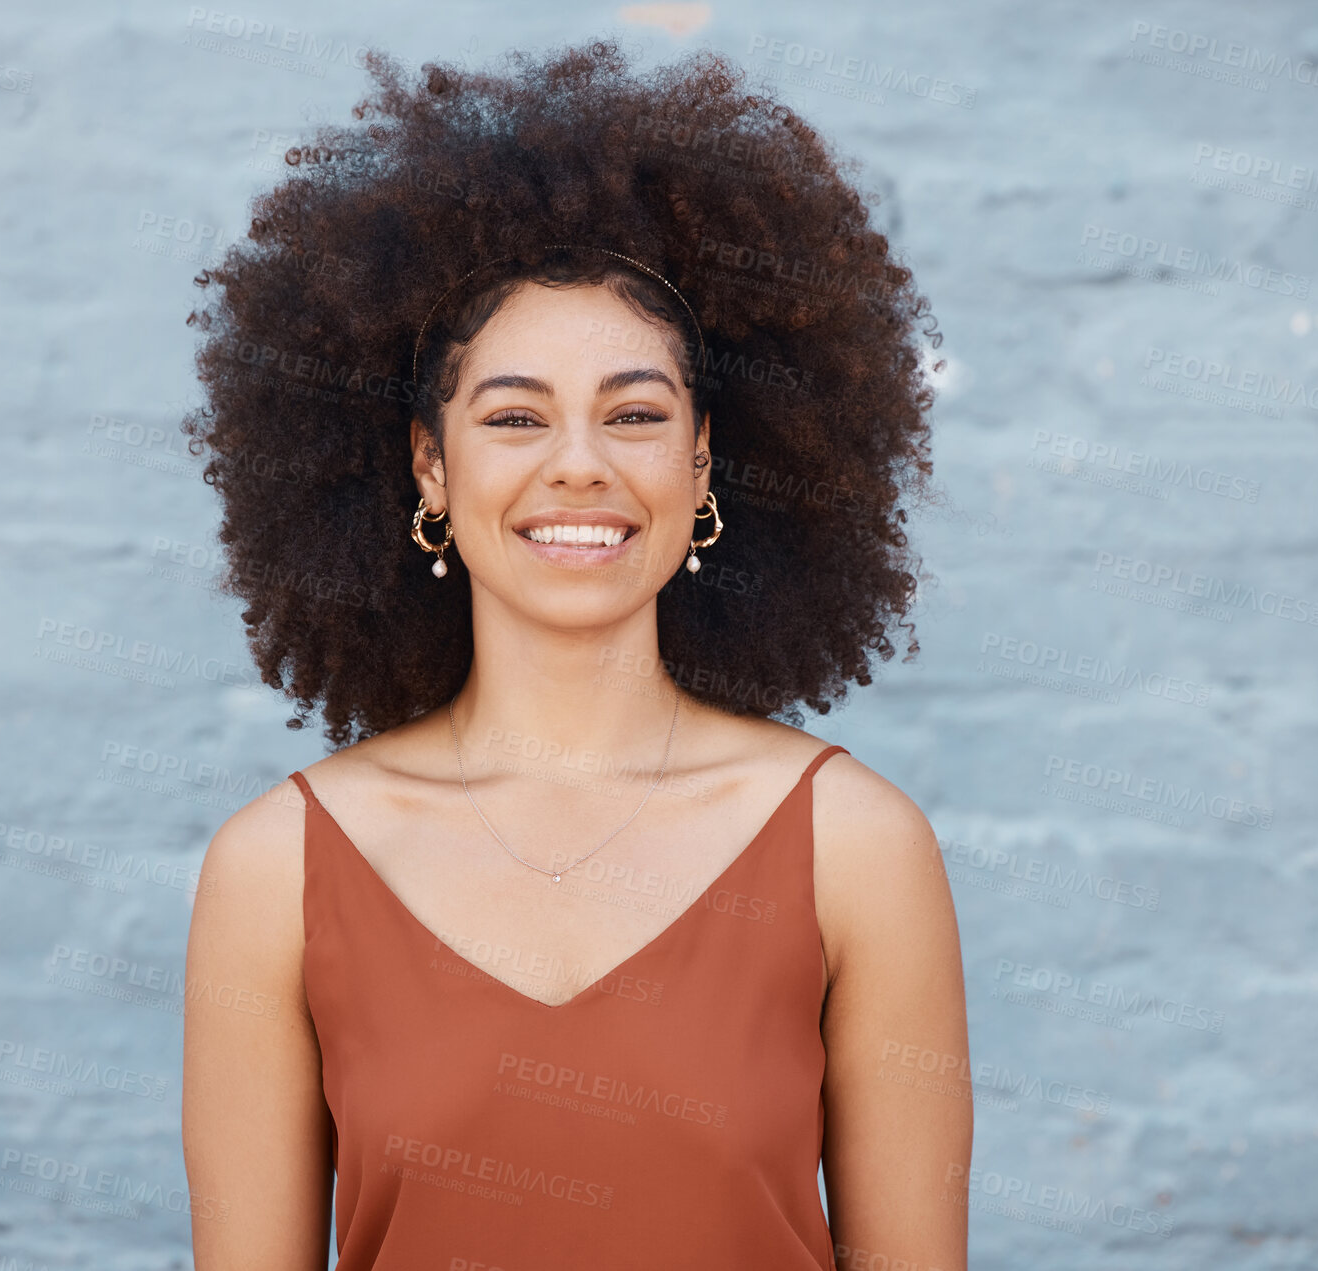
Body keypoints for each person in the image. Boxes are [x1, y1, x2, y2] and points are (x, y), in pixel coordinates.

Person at [180, 37, 969, 1271]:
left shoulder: (857, 849)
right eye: (513, 416)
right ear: (429, 466)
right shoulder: (275, 870)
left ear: (703, 461)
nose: (581, 466)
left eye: (637, 413)